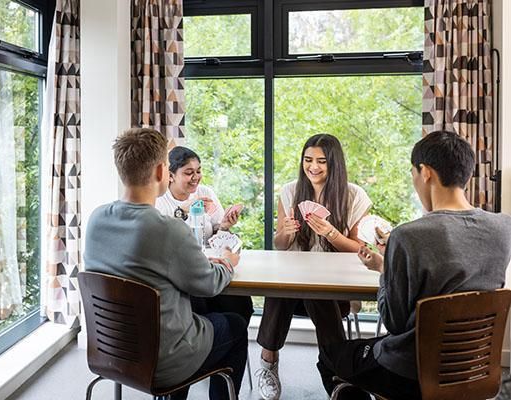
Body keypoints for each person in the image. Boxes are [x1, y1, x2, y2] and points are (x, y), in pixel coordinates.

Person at [317, 130, 511, 400]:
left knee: (329, 355)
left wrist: (388, 272)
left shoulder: (408, 236)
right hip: (471, 365)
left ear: (426, 172)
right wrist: (389, 265)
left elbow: (393, 322)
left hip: (408, 372)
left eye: (413, 174)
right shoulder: (503, 227)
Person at [83, 128, 248, 399]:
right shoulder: (169, 229)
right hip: (163, 360)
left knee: (195, 312)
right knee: (234, 324)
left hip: (110, 350)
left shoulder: (96, 219)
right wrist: (228, 263)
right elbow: (208, 283)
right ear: (163, 172)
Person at [256, 134, 372, 400]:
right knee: (282, 284)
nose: (314, 167)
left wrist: (332, 234)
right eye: (308, 160)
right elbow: (280, 245)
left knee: (313, 289)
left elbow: (360, 250)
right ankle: (269, 362)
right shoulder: (290, 191)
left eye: (321, 161)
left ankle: (335, 369)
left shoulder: (354, 195)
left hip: (336, 293)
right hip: (292, 292)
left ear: (334, 164)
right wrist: (284, 232)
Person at [156, 146, 254, 326]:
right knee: (204, 306)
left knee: (242, 305)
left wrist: (224, 226)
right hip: (184, 271)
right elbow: (160, 234)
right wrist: (183, 210)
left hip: (210, 264)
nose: (196, 177)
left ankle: (230, 344)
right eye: (188, 172)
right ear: (170, 175)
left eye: (198, 171)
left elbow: (217, 235)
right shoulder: (161, 200)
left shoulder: (205, 192)